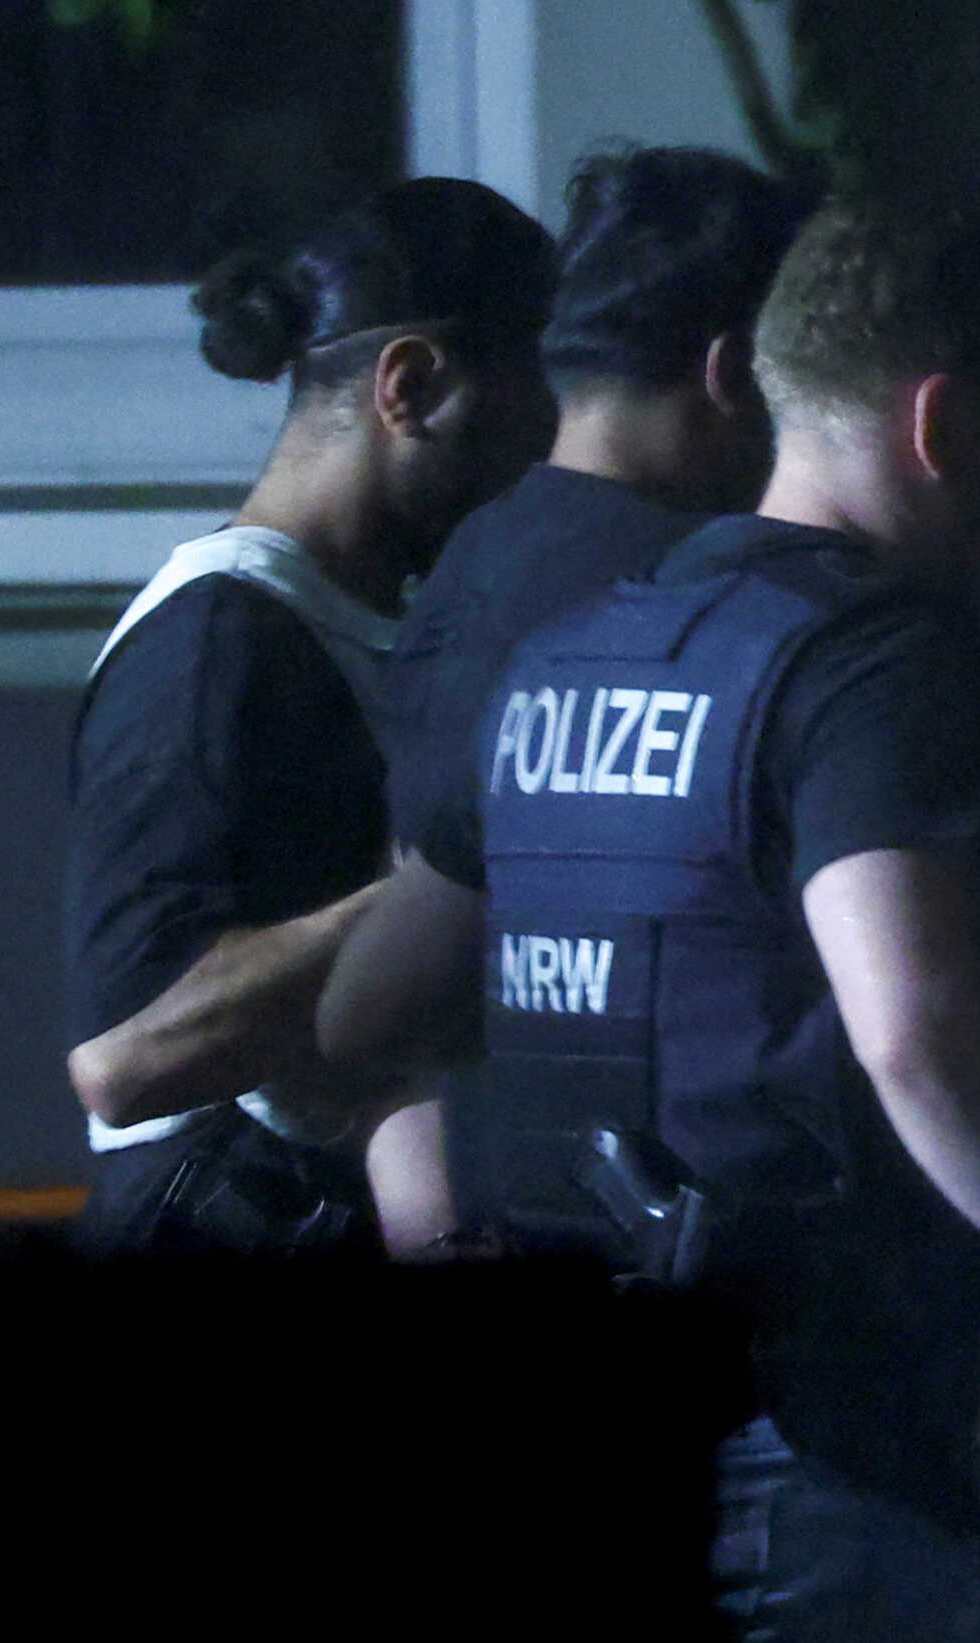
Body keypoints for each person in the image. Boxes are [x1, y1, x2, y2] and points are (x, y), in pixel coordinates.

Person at [319, 198, 980, 1643]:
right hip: (814, 1450)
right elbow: (924, 1036)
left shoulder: (582, 654)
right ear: (940, 423)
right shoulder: (878, 662)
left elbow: (401, 1038)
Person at [318, 146, 817, 1258]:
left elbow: (385, 1000)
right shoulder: (708, 598)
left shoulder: (474, 558)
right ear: (735, 376)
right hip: (688, 1231)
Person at [61, 178, 557, 1259]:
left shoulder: (379, 619)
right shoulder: (215, 642)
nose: (536, 469)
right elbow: (126, 1056)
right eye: (527, 418)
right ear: (412, 385)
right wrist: (452, 884)